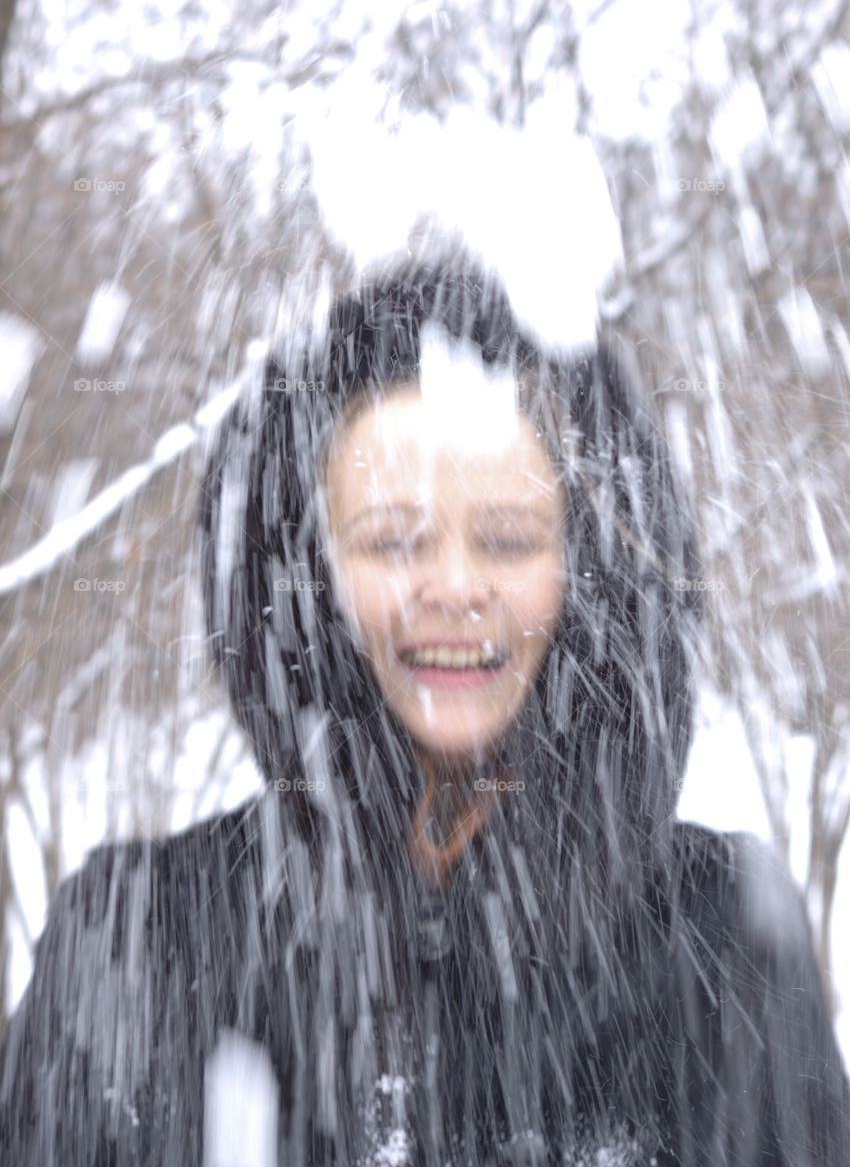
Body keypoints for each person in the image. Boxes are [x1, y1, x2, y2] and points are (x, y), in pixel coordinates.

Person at [1, 245, 849, 1167]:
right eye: (394, 538)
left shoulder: (723, 944)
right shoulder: (136, 949)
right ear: (311, 575)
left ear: (587, 570)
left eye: (509, 537)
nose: (452, 585)